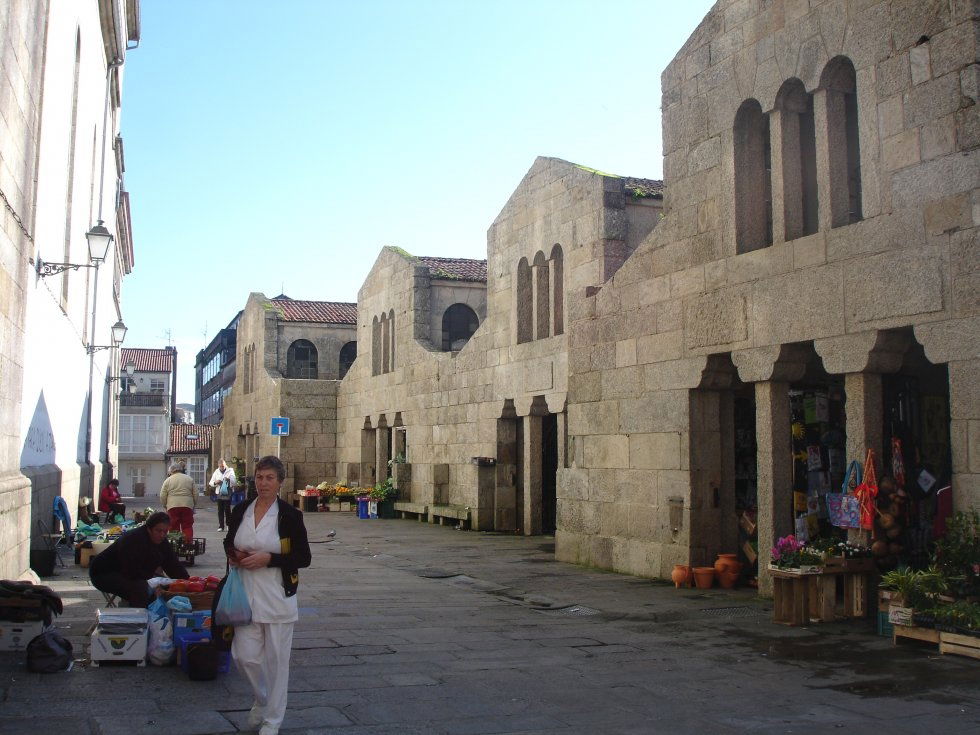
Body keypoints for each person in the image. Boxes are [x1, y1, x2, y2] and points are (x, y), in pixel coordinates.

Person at [224, 455, 311, 735]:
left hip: (277, 596)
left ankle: (273, 721)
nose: (263, 483)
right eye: (259, 477)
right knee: (244, 656)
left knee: (276, 663)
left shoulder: (289, 515)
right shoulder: (241, 510)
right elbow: (228, 539)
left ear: (280, 483)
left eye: (269, 478)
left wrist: (268, 559)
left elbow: (303, 557)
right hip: (244, 594)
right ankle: (262, 699)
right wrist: (235, 554)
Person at [89, 511, 189, 607]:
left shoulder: (162, 541)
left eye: (165, 531)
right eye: (158, 531)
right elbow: (131, 571)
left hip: (132, 572)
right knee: (141, 588)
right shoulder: (133, 539)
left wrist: (188, 583)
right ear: (149, 529)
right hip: (104, 573)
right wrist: (153, 583)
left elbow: (172, 564)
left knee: (164, 584)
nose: (162, 535)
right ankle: (138, 619)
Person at [160, 462, 197, 545]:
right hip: (187, 505)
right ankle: (187, 545)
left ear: (171, 471)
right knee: (187, 526)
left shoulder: (168, 480)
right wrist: (193, 504)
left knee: (173, 527)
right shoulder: (189, 479)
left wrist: (165, 505)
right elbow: (195, 493)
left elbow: (162, 495)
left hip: (172, 506)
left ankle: (175, 545)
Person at [209, 458, 237, 532]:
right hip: (219, 493)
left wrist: (228, 479)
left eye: (223, 466)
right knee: (220, 510)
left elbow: (234, 482)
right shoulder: (216, 471)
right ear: (218, 466)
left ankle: (228, 525)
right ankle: (221, 526)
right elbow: (211, 483)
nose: (222, 468)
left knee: (227, 509)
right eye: (220, 466)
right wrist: (216, 482)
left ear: (225, 465)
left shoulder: (230, 470)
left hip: (227, 493)